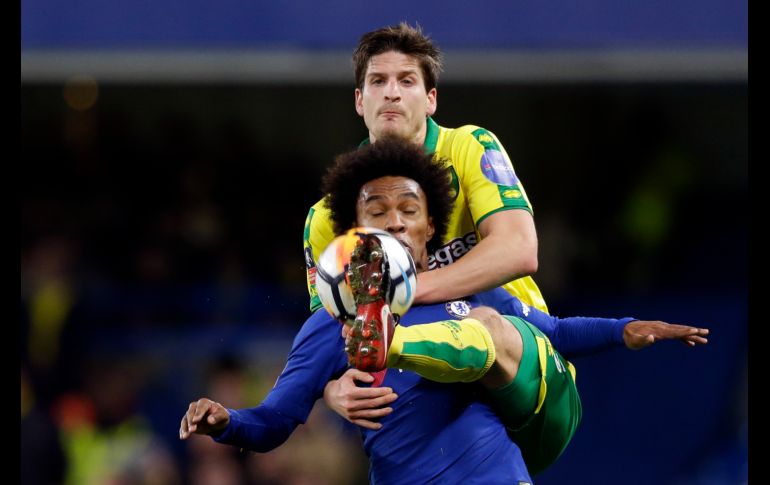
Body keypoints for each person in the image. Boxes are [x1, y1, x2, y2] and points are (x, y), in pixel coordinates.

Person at [180, 139, 708, 482]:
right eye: (378, 212)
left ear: (430, 228)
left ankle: (395, 343)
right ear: (355, 232)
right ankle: (394, 340)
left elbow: (551, 332)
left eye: (409, 210)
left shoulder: (475, 291)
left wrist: (625, 330)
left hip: (497, 475)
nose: (396, 222)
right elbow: (276, 419)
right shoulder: (329, 323)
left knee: (491, 327)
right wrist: (227, 422)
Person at [304, 22, 547, 317]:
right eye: (378, 81)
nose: (391, 93)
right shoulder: (326, 216)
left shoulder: (470, 146)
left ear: (431, 100)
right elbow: (329, 320)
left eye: (407, 81)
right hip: (413, 354)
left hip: (516, 335)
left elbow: (518, 249)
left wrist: (405, 290)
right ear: (359, 100)